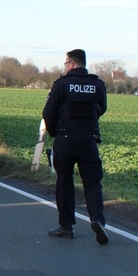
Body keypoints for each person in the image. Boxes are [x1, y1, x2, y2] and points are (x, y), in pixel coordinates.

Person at [42, 49, 109, 244]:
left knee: (64, 181)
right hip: (88, 140)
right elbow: (102, 108)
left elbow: (48, 113)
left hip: (65, 139)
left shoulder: (61, 85)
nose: (65, 67)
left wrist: (56, 133)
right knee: (93, 182)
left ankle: (66, 227)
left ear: (71, 64)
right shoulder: (97, 85)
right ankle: (97, 221)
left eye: (65, 64)